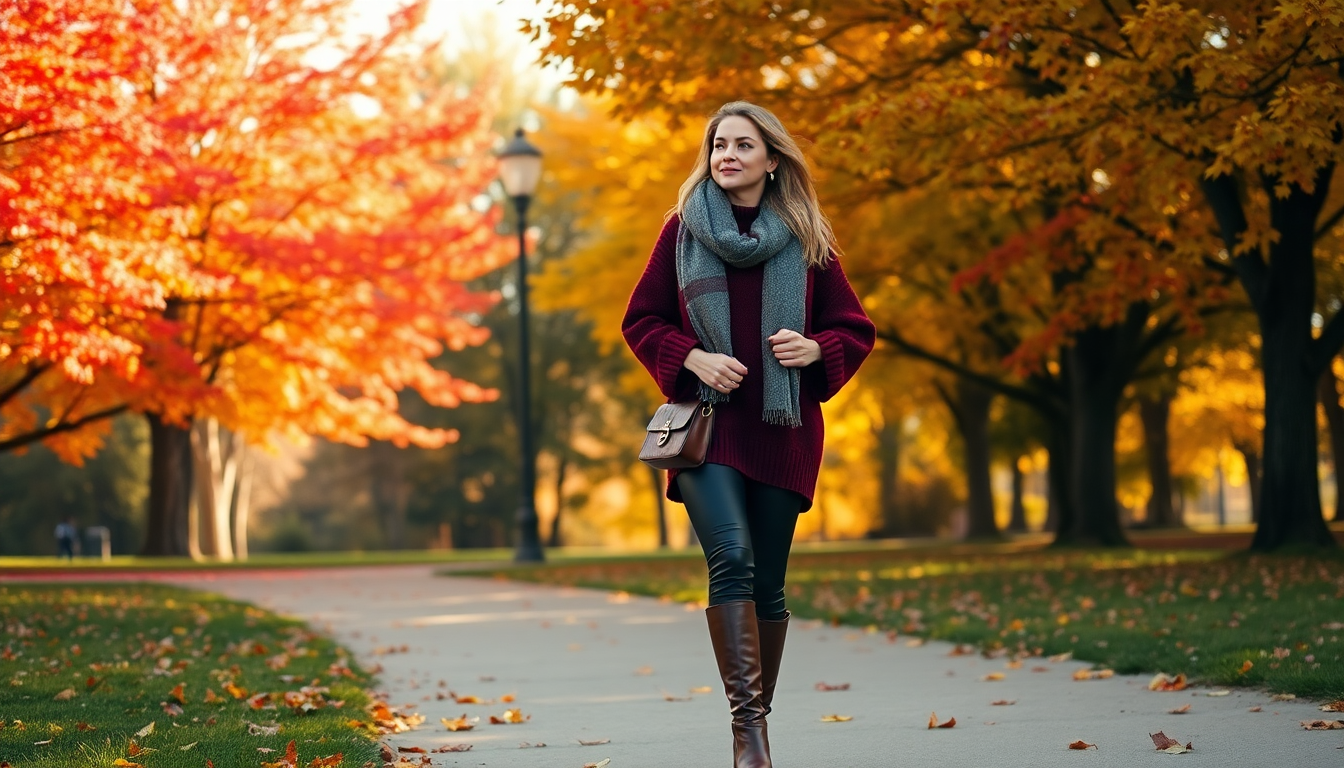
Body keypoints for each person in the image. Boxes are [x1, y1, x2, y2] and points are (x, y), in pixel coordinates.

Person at [622, 101, 875, 768]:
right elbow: (640, 320)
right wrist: (690, 357)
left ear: (772, 159)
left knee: (768, 585)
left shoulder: (806, 238)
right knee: (731, 556)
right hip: (707, 432)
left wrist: (819, 350)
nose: (727, 155)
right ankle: (751, 738)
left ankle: (754, 720)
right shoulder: (681, 232)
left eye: (742, 145)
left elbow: (855, 328)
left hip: (781, 430)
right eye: (718, 145)